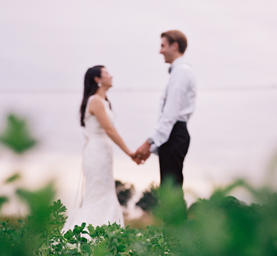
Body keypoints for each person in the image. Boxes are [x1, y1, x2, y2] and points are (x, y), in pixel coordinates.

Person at [63, 65, 138, 232]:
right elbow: (109, 129)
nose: (111, 76)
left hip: (104, 151)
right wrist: (130, 152)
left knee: (105, 192)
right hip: (96, 151)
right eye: (106, 73)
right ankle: (88, 234)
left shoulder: (104, 102)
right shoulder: (95, 101)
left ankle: (104, 234)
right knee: (97, 194)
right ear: (97, 79)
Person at [133, 30, 197, 188]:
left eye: (163, 46)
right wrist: (154, 145)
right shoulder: (180, 71)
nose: (160, 51)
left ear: (174, 46)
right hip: (173, 134)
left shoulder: (181, 72)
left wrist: (149, 142)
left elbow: (171, 113)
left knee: (170, 192)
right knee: (170, 190)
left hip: (175, 133)